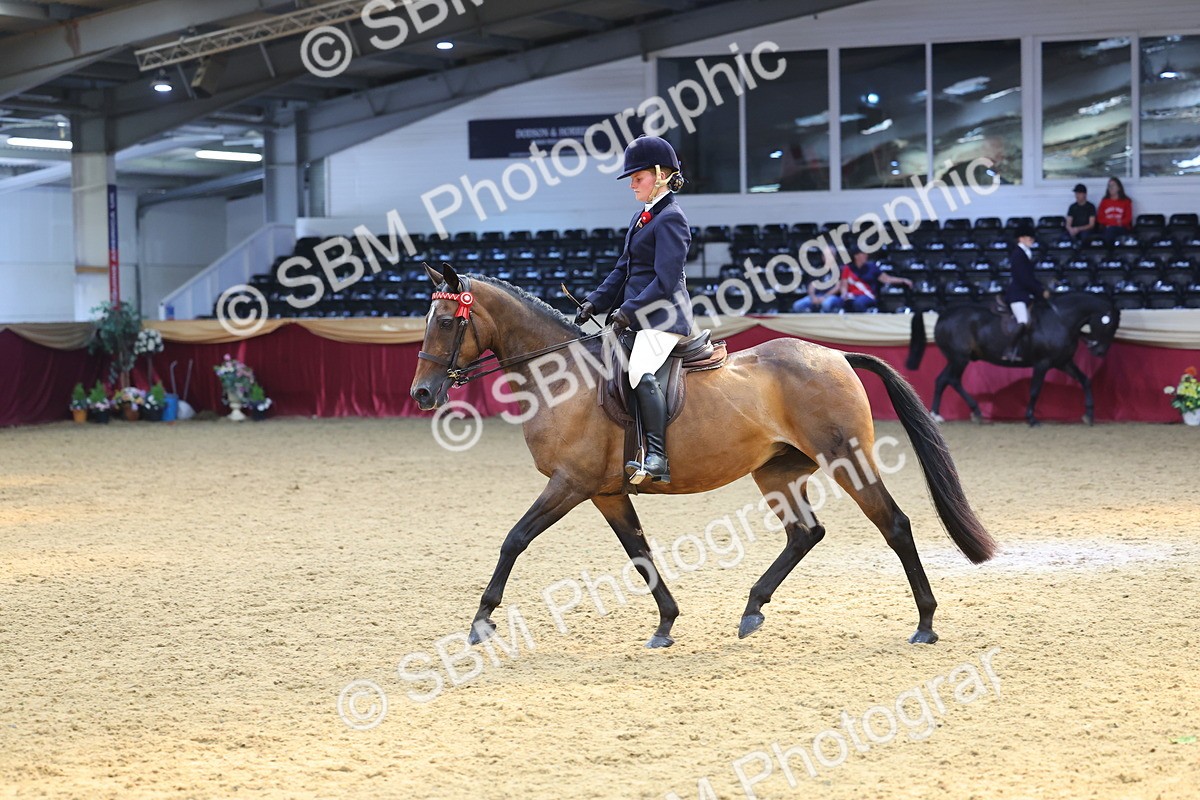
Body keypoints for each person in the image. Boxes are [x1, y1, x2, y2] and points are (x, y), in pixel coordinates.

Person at [574, 134, 693, 485]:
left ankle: (657, 456)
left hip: (664, 318)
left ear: (660, 175)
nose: (631, 185)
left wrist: (628, 310)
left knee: (639, 369)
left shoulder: (671, 218)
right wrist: (595, 300)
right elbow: (622, 269)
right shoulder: (641, 217)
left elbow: (666, 281)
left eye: (637, 178)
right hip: (640, 316)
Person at [1002, 224, 1050, 362]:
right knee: (1023, 320)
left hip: (1026, 293)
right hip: (1017, 294)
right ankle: (1009, 350)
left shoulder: (1025, 253)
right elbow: (1024, 279)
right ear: (1021, 238)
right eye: (1029, 237)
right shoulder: (1018, 254)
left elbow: (1030, 278)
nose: (1032, 240)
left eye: (1032, 238)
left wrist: (1041, 287)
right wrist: (1040, 291)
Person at [836, 247, 913, 312]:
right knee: (835, 302)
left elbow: (887, 279)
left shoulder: (872, 267)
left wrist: (903, 280)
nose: (866, 256)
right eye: (863, 254)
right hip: (851, 296)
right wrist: (844, 295)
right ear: (856, 256)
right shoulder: (847, 268)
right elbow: (844, 286)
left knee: (858, 303)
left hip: (867, 296)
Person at [791, 246, 841, 312]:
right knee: (797, 305)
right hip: (817, 296)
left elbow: (838, 287)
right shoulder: (817, 269)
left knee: (826, 304)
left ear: (835, 257)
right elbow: (811, 285)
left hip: (832, 296)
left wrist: (825, 297)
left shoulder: (840, 269)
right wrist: (813, 297)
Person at [1096, 177, 1133, 243]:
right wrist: (1114, 222)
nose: (1111, 188)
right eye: (1109, 186)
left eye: (1113, 185)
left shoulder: (1126, 201)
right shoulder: (1104, 201)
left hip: (1121, 228)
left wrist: (1114, 223)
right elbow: (1100, 218)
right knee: (1109, 231)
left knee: (1111, 231)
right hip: (1107, 228)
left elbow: (1128, 219)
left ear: (1119, 188)